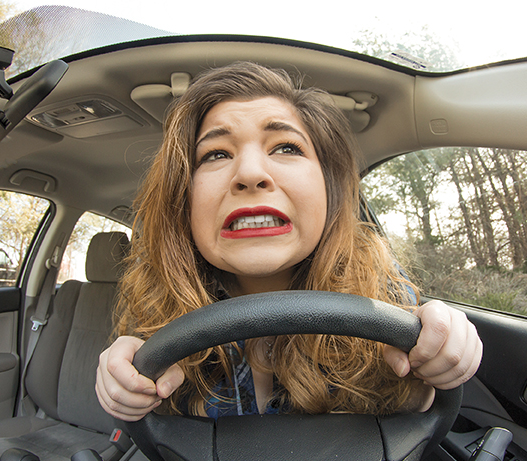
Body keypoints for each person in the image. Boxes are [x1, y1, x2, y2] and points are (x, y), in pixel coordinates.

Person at [96, 62, 482, 422]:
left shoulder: (384, 293)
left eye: (285, 147)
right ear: (185, 200)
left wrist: (441, 350)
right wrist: (125, 377)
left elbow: (415, 410)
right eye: (215, 154)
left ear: (328, 190)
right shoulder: (155, 316)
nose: (249, 173)